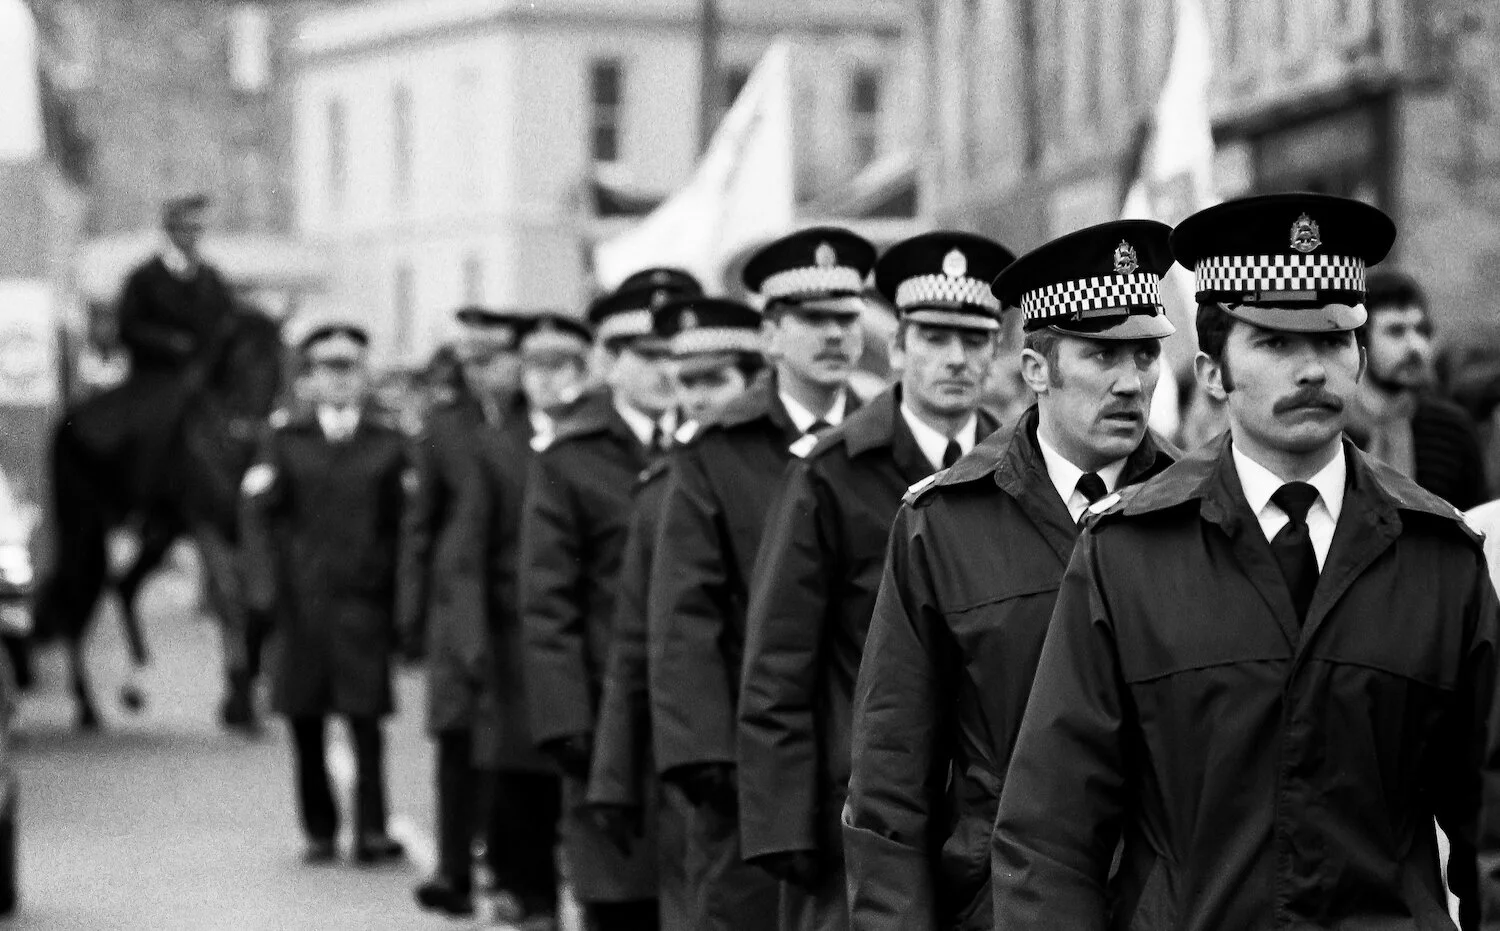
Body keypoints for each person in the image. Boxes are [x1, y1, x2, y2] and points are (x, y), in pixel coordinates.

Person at [991, 192, 1500, 929]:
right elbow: (1050, 833)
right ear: (1212, 370)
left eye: (1333, 339)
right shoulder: (1128, 555)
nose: (1312, 370)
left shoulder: (1437, 555)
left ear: (1360, 358)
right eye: (1274, 343)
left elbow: (1491, 822)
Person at [841, 220, 1180, 929]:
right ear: (1035, 369)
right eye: (1102, 354)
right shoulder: (945, 523)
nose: (1130, 382)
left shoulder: (1197, 509)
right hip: (1000, 902)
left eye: (1146, 353)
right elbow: (892, 769)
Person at [736, 231, 1013, 931]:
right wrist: (784, 830)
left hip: (990, 822)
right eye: (935, 337)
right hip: (856, 814)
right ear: (897, 348)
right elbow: (778, 664)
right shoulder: (830, 474)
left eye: (975, 339)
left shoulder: (1018, 476)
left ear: (999, 352)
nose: (956, 358)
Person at [649, 227, 873, 931]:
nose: (834, 334)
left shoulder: (882, 439)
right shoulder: (718, 448)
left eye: (846, 318)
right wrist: (707, 757)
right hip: (749, 764)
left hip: (863, 757)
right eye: (813, 318)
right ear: (771, 336)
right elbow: (685, 613)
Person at [519, 269, 700, 931]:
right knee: (619, 900)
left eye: (676, 355)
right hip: (605, 719)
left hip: (697, 720)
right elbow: (547, 601)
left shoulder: (714, 446)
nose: (665, 371)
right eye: (647, 356)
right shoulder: (569, 457)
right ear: (610, 361)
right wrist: (567, 721)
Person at [587, 295, 768, 930]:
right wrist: (612, 778)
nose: (696, 398)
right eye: (686, 382)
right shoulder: (663, 493)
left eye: (714, 380)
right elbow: (637, 643)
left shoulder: (810, 472)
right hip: (708, 762)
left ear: (754, 379)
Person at [239, 319, 409, 866]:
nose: (338, 379)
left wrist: (402, 600)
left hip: (364, 602)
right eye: (326, 369)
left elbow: (405, 528)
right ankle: (319, 828)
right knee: (304, 719)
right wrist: (264, 592)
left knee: (367, 720)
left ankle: (372, 830)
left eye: (349, 368)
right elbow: (258, 518)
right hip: (302, 605)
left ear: (365, 375)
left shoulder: (389, 444)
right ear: (308, 379)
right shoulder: (284, 440)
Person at [406, 306, 529, 918]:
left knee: (509, 743)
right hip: (456, 605)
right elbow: (420, 526)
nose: (480, 371)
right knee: (456, 738)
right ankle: (454, 867)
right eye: (471, 361)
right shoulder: (443, 426)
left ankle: (503, 867)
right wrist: (411, 612)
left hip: (518, 605)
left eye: (492, 358)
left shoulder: (538, 425)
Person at [1347, 269, 1487, 509]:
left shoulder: (1452, 429)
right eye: (1396, 331)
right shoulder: (1333, 428)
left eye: (1421, 330)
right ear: (1361, 339)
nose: (1416, 346)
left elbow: (1475, 521)